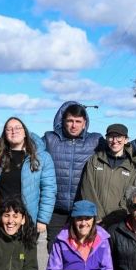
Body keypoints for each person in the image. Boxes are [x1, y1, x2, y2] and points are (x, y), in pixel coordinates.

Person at [43, 101, 102, 248]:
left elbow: (119, 146)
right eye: (70, 121)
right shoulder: (50, 139)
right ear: (63, 121)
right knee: (55, 249)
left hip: (82, 209)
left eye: (78, 121)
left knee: (81, 252)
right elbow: (28, 146)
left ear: (84, 123)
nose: (73, 125)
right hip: (56, 210)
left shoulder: (95, 141)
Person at [0, 117, 56, 237]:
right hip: (1, 219)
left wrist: (42, 220)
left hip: (27, 220)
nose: (14, 131)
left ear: (25, 132)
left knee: (24, 255)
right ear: (5, 133)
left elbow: (49, 190)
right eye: (9, 129)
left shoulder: (42, 158)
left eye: (18, 128)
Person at [79, 123, 136, 228]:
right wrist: (98, 215)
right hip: (96, 220)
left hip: (118, 222)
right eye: (111, 137)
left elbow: (130, 194)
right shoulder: (95, 161)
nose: (114, 141)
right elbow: (87, 188)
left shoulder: (131, 167)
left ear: (126, 140)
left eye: (119, 137)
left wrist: (116, 217)